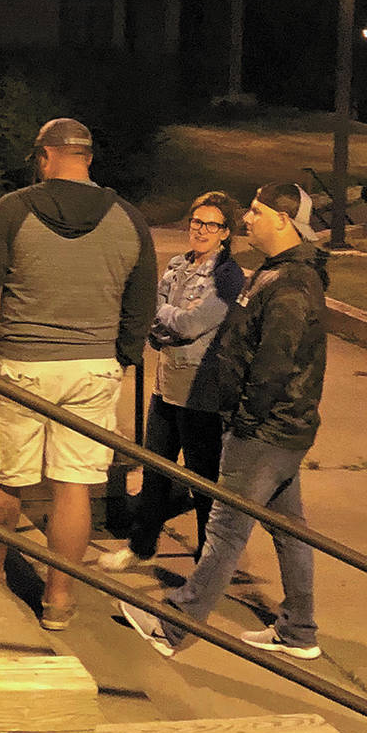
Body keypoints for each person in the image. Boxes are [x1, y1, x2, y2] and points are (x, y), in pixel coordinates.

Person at [120, 182, 331, 660]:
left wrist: (242, 419)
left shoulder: (290, 284)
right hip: (282, 430)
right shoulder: (281, 273)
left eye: (256, 211)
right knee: (289, 529)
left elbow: (273, 365)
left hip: (264, 431)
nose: (247, 220)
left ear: (283, 219)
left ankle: (172, 628)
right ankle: (299, 630)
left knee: (225, 531)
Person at [0, 118, 156, 630]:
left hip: (25, 363)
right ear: (87, 157)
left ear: (45, 155)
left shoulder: (14, 208)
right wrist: (122, 352)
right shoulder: (129, 218)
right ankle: (59, 598)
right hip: (93, 366)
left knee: (5, 476)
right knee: (74, 485)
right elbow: (142, 300)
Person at [99, 190, 246, 570]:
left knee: (204, 481)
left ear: (225, 232)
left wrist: (162, 314)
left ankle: (208, 560)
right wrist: (168, 319)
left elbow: (192, 322)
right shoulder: (177, 265)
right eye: (196, 222)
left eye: (210, 225)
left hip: (201, 392)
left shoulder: (228, 275)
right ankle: (142, 545)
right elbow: (164, 324)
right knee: (155, 470)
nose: (200, 230)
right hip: (166, 387)